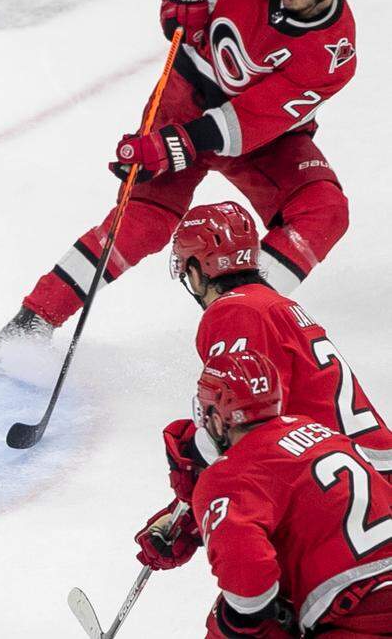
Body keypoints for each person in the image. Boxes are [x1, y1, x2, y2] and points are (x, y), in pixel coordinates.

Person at [0, 0, 358, 360]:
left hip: (263, 137)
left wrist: (173, 146)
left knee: (324, 210)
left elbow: (249, 122)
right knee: (142, 222)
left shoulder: (332, 55)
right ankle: (31, 322)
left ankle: (240, 325)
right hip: (185, 98)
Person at [134, 350, 392, 637]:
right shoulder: (319, 432)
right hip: (366, 592)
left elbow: (249, 586)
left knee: (230, 620)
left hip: (362, 614)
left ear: (217, 420)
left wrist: (232, 623)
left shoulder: (228, 473)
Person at [158, 201, 392, 481]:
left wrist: (194, 469)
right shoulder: (271, 303)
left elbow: (247, 420)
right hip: (361, 473)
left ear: (196, 270)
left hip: (342, 485)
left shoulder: (233, 312)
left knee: (187, 454)